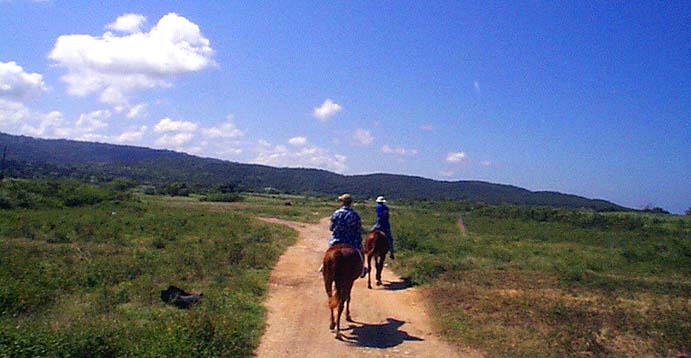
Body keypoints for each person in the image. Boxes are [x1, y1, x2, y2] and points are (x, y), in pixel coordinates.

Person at [325, 193, 368, 278]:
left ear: (342, 202)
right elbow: (358, 229)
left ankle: (325, 266)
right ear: (350, 203)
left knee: (329, 252)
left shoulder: (336, 213)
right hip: (352, 241)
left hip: (337, 240)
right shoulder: (355, 215)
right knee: (360, 252)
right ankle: (362, 269)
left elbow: (331, 228)